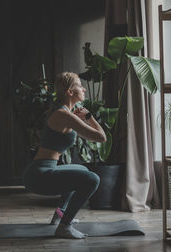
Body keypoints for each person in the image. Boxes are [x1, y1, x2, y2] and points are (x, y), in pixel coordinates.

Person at [22, 72, 107, 239]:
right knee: (92, 179)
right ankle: (64, 227)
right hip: (39, 176)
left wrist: (80, 118)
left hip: (40, 171)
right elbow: (101, 137)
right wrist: (89, 117)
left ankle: (60, 215)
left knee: (81, 170)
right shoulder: (64, 115)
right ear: (70, 91)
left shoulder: (64, 112)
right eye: (79, 85)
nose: (83, 88)